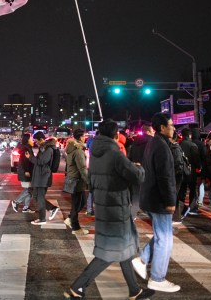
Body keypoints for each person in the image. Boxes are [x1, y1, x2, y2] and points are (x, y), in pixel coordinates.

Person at [64, 120, 149, 300]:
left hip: (103, 205)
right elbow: (136, 176)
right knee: (110, 251)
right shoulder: (114, 154)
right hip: (115, 206)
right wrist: (140, 168)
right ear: (115, 134)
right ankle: (77, 287)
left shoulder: (95, 154)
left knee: (123, 248)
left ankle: (135, 290)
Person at [133, 112, 181, 293]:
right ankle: (157, 278)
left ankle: (142, 259)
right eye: (171, 125)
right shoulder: (161, 146)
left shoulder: (154, 143)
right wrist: (170, 201)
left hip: (151, 196)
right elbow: (165, 176)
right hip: (159, 199)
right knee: (165, 239)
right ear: (162, 127)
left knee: (163, 235)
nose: (174, 128)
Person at [27, 131, 60, 225]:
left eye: (36, 141)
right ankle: (52, 208)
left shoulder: (48, 149)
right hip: (40, 176)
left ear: (41, 139)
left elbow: (42, 161)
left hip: (43, 177)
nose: (35, 143)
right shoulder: (44, 148)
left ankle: (42, 219)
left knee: (40, 197)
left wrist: (31, 158)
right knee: (36, 196)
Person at [64, 128, 90, 235]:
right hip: (77, 180)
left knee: (81, 201)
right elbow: (82, 168)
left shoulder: (72, 148)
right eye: (84, 136)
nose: (85, 138)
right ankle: (76, 228)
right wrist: (89, 180)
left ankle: (70, 219)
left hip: (73, 178)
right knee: (77, 203)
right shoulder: (78, 151)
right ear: (80, 137)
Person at [129, 124, 155, 218]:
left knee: (135, 194)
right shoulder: (152, 141)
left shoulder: (135, 141)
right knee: (150, 194)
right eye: (152, 131)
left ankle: (132, 216)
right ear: (148, 131)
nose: (153, 133)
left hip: (136, 169)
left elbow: (130, 156)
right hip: (148, 171)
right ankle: (152, 217)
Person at [11, 133, 35, 213]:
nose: (32, 140)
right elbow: (25, 160)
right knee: (29, 189)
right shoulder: (26, 148)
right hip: (26, 171)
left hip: (26, 171)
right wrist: (27, 171)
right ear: (28, 140)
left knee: (29, 189)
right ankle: (16, 201)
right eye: (31, 138)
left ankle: (26, 207)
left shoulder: (26, 147)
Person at [178, 128, 200, 217]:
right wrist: (199, 167)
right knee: (193, 190)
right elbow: (196, 159)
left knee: (181, 191)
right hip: (191, 172)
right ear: (190, 135)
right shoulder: (192, 145)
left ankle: (181, 208)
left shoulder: (178, 145)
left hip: (180, 171)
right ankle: (192, 208)